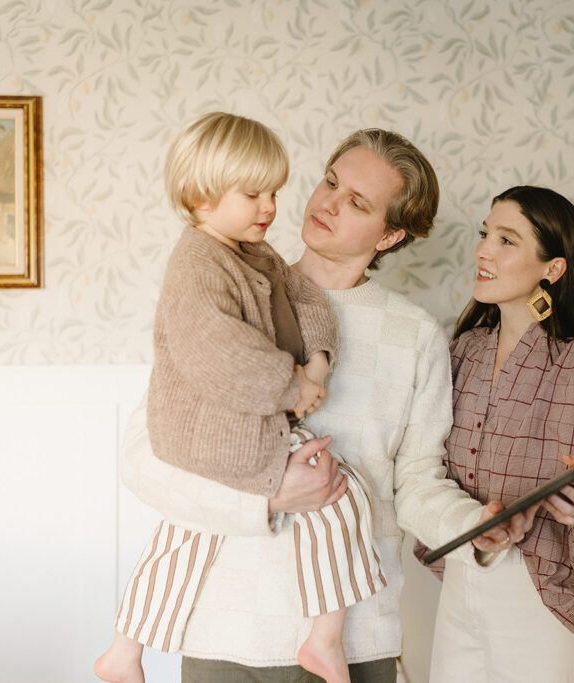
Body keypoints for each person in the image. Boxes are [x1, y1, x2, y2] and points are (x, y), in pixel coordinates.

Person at [114, 128, 534, 682]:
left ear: (389, 236)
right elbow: (148, 456)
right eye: (330, 182)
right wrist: (266, 496)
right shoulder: (225, 291)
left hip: (356, 640)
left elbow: (417, 483)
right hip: (228, 632)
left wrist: (473, 525)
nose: (327, 204)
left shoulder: (415, 336)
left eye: (358, 202)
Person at [94, 112, 389, 683]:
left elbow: (303, 295)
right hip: (216, 430)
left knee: (186, 536)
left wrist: (320, 355)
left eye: (274, 192)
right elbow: (221, 353)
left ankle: (123, 652)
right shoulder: (198, 265)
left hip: (224, 427)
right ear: (202, 196)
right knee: (341, 493)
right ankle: (325, 638)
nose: (269, 208)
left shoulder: (252, 252)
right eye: (252, 193)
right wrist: (294, 384)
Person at [414, 186, 574, 683]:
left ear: (553, 269)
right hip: (461, 588)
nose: (483, 249)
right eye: (486, 234)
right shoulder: (463, 352)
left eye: (507, 240)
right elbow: (427, 473)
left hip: (546, 607)